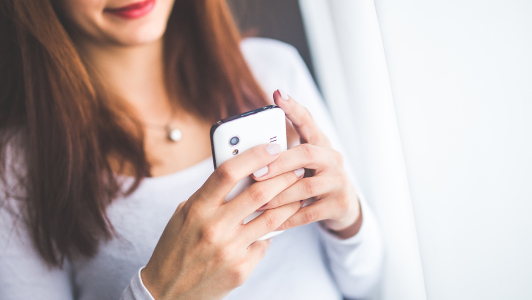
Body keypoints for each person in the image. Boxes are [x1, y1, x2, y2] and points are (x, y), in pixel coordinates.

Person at [0, 0, 383, 299]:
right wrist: (161, 293)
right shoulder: (17, 166)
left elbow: (365, 283)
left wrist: (348, 218)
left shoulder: (272, 70)